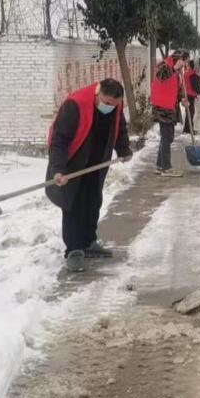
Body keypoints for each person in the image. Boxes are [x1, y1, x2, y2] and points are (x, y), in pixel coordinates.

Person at [45, 78, 133, 273]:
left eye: (114, 104)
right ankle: (74, 250)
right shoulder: (75, 104)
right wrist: (58, 169)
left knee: (93, 201)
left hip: (97, 162)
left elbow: (120, 128)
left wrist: (123, 149)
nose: (110, 107)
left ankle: (88, 242)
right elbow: (59, 140)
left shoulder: (115, 106)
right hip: (73, 163)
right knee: (73, 204)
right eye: (107, 103)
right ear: (98, 93)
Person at [151, 51, 186, 177]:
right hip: (162, 107)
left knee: (167, 137)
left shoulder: (178, 72)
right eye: (183, 61)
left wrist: (182, 98)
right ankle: (166, 168)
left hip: (170, 107)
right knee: (167, 137)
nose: (184, 65)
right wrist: (174, 68)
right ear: (178, 59)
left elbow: (176, 87)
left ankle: (160, 166)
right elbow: (161, 77)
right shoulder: (164, 66)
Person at [183, 59, 200, 134]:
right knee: (190, 112)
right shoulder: (193, 74)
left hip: (188, 94)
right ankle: (188, 130)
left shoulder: (192, 72)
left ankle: (187, 129)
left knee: (189, 112)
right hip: (188, 94)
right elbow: (195, 87)